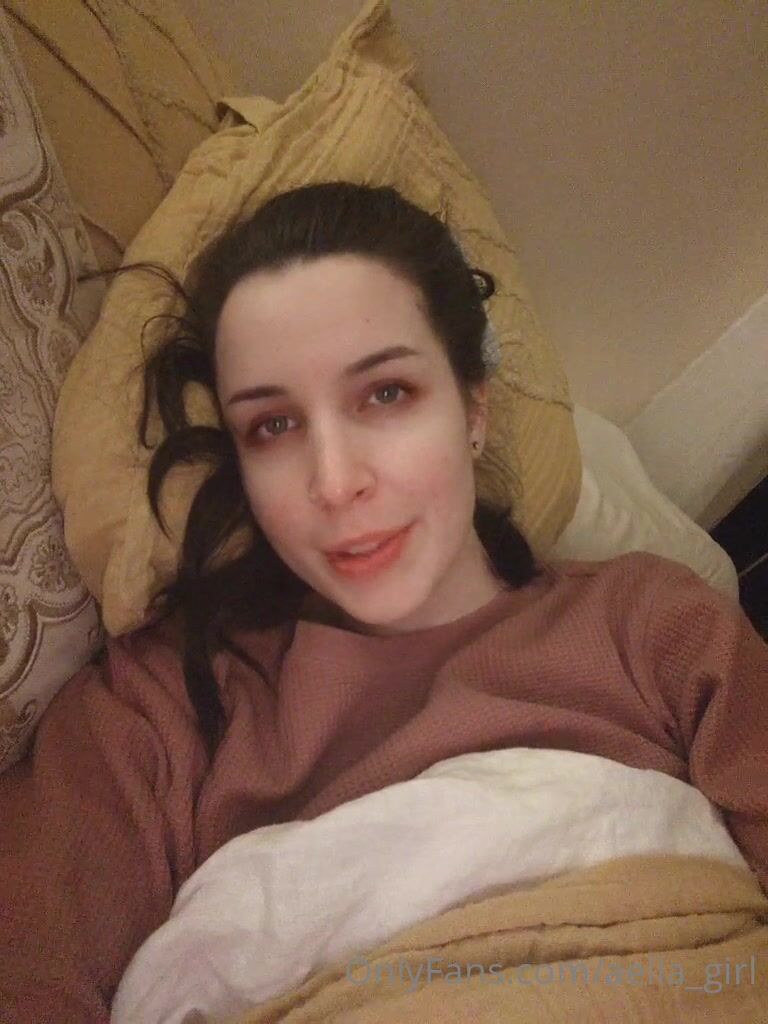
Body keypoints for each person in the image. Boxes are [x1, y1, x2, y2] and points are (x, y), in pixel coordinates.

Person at [1, 182, 766, 1023]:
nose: (335, 482)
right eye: (272, 426)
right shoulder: (153, 711)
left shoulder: (652, 626)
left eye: (387, 394)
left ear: (473, 408)